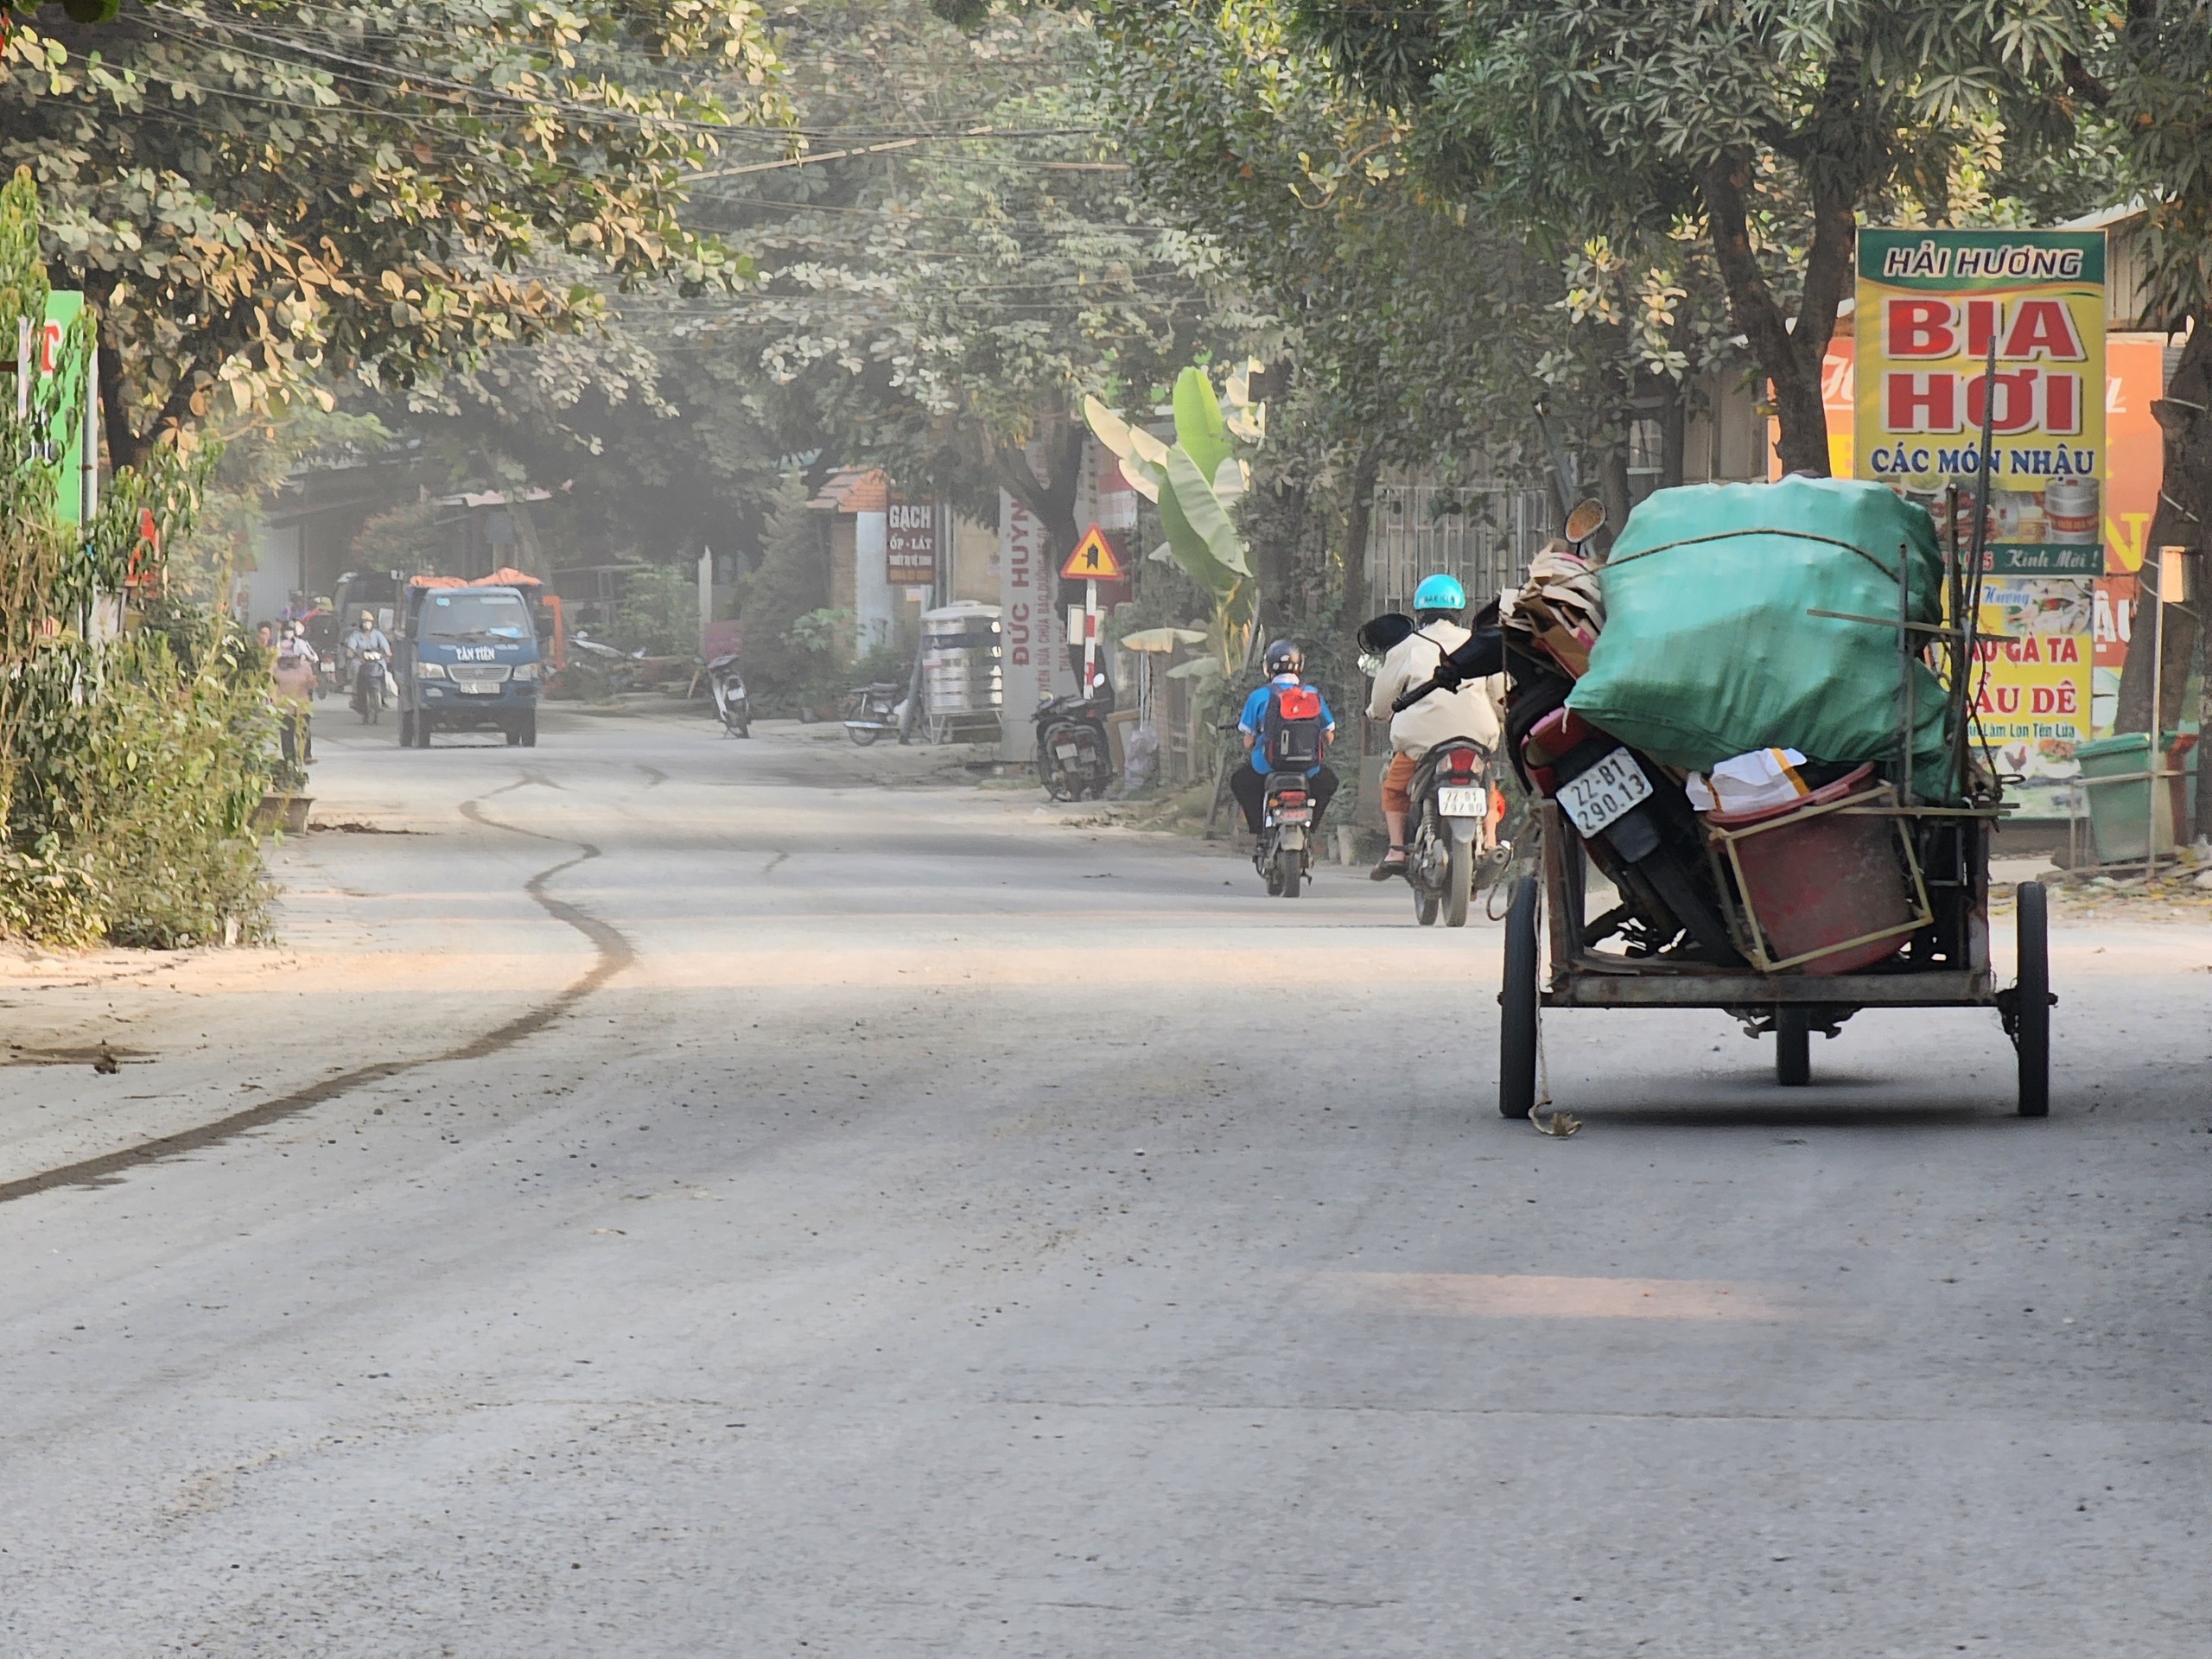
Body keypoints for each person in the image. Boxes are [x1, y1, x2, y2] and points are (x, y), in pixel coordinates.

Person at [1363, 574, 1503, 880]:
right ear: (1459, 611)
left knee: (1395, 786)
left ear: (1420, 612)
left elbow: (1384, 700)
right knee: (1488, 786)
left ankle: (1397, 850)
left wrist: (1376, 711)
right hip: (1475, 738)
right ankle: (1491, 843)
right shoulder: (1478, 642)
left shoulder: (1408, 646)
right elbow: (1501, 695)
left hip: (1420, 742)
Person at [1230, 639, 1338, 835]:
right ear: (1300, 666)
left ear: (1268, 667)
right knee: (1329, 781)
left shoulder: (1258, 696)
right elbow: (1329, 737)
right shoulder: (1312, 694)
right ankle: (1309, 826)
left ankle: (1260, 830)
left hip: (1266, 768)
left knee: (1240, 781)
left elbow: (1248, 742)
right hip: (1309, 770)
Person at [271, 621, 319, 765]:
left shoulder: (305, 666)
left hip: (301, 704)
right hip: (284, 705)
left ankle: (305, 755)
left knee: (303, 730)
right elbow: (271, 683)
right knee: (286, 733)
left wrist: (313, 684)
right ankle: (289, 758)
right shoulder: (275, 666)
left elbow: (312, 684)